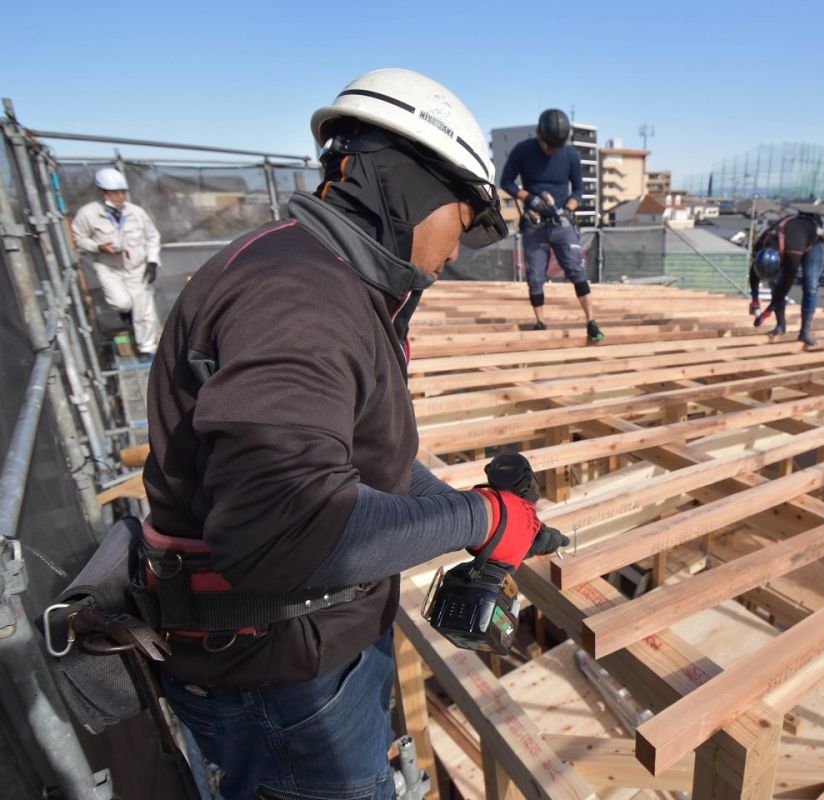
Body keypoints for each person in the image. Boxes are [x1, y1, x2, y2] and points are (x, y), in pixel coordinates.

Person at [140, 69, 566, 800]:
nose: (455, 255)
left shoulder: (315, 273)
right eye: (462, 224)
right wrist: (484, 515)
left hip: (291, 658)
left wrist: (474, 520)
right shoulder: (303, 301)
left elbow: (366, 470)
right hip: (281, 683)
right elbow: (288, 528)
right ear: (414, 186)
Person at [499, 108, 604, 341]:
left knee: (577, 270)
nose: (550, 151)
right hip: (534, 225)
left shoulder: (571, 156)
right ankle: (540, 322)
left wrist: (569, 208)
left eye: (555, 147)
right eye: (548, 145)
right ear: (538, 134)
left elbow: (578, 189)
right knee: (535, 276)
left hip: (561, 223)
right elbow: (506, 182)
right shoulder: (523, 151)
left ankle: (591, 322)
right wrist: (530, 199)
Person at [71, 167, 162, 357]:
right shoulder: (88, 214)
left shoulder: (136, 212)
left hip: (136, 268)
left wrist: (152, 262)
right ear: (103, 192)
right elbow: (78, 239)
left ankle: (147, 348)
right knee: (122, 303)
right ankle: (126, 311)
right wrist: (98, 246)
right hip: (109, 268)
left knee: (144, 312)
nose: (121, 196)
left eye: (123, 192)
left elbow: (152, 237)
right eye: (115, 192)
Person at [747, 211, 824, 345]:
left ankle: (804, 332)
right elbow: (753, 274)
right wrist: (755, 301)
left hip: (813, 242)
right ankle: (781, 326)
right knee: (774, 283)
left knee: (810, 284)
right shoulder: (760, 245)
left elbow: (785, 288)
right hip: (791, 238)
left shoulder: (792, 255)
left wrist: (767, 313)